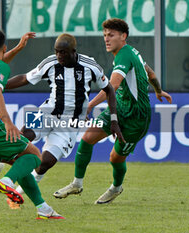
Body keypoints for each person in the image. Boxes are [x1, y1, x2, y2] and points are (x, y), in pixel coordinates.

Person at [54, 18, 172, 204]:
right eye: (105, 35)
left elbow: (113, 85)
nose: (106, 39)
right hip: (120, 108)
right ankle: (77, 183)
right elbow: (150, 72)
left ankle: (116, 188)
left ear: (123, 36)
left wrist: (90, 105)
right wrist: (158, 90)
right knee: (87, 139)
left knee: (115, 158)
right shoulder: (130, 52)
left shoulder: (125, 55)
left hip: (136, 118)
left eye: (111, 35)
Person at [2, 33, 123, 209]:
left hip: (71, 124)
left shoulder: (90, 66)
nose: (59, 56)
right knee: (21, 138)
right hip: (46, 112)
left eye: (63, 52)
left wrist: (114, 120)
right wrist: (0, 85)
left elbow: (110, 90)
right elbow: (25, 78)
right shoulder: (50, 63)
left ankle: (16, 194)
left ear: (73, 51)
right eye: (57, 52)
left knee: (45, 163)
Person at [0, 29, 64, 219]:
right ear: (4, 46)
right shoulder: (1, 68)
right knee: (34, 155)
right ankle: (7, 181)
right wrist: (7, 122)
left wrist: (18, 49)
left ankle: (43, 209)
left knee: (20, 162)